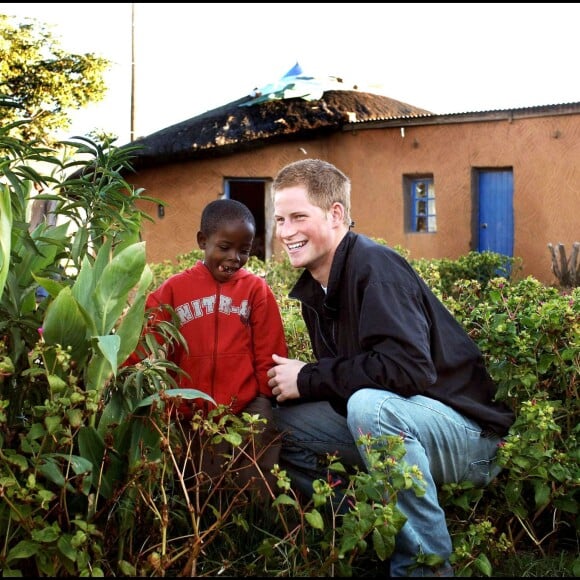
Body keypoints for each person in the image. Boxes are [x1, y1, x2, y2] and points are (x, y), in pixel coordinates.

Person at [266, 159, 515, 577]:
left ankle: (425, 569)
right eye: (278, 219)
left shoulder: (375, 267)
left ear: (335, 214)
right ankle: (374, 531)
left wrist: (308, 377)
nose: (286, 231)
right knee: (277, 424)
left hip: (472, 440)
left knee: (369, 407)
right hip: (411, 424)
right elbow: (356, 374)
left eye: (297, 217)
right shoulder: (318, 285)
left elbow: (408, 369)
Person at [127, 198, 288, 497]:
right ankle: (207, 533)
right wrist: (118, 372)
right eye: (224, 247)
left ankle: (257, 527)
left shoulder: (256, 290)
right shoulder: (174, 290)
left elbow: (270, 349)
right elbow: (144, 338)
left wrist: (267, 398)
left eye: (244, 250)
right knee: (201, 486)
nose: (234, 258)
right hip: (190, 409)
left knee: (255, 481)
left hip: (246, 409)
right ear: (203, 240)